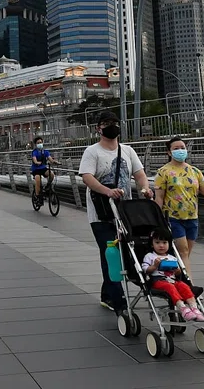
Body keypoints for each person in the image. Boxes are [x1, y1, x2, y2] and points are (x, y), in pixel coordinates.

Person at [79, 110, 152, 312]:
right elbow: (87, 177)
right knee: (110, 253)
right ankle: (116, 298)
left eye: (114, 122)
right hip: (101, 213)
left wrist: (145, 189)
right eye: (106, 123)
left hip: (124, 212)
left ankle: (107, 293)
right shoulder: (92, 152)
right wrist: (107, 191)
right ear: (98, 128)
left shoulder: (127, 150)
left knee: (127, 251)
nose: (111, 126)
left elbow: (139, 174)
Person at [154, 137, 204, 282]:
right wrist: (157, 218)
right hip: (173, 217)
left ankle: (176, 278)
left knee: (185, 253)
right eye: (176, 148)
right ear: (169, 152)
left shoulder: (194, 171)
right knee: (183, 251)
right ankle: (189, 283)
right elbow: (159, 197)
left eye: (182, 147)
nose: (180, 151)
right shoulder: (163, 172)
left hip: (192, 217)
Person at [142, 229, 204, 321]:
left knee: (184, 286)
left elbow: (177, 273)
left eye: (164, 242)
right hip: (158, 281)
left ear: (169, 244)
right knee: (170, 287)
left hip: (172, 280)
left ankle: (194, 308)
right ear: (152, 244)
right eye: (157, 242)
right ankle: (183, 308)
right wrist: (154, 266)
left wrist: (177, 271)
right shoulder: (150, 256)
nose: (161, 245)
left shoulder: (172, 257)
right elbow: (146, 270)